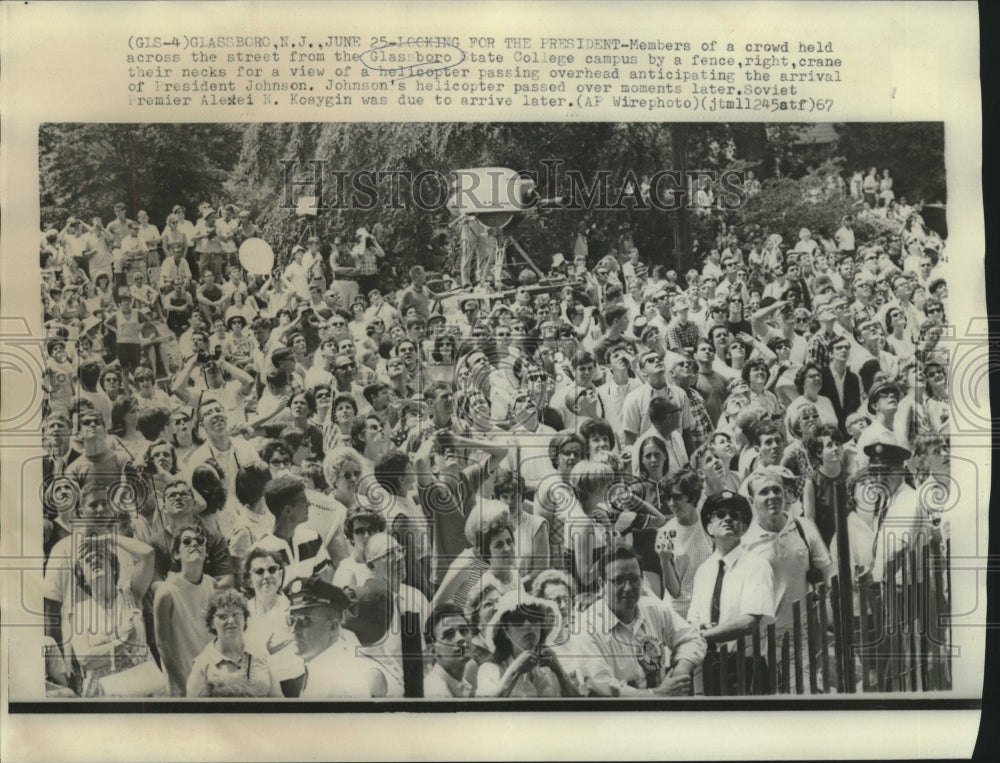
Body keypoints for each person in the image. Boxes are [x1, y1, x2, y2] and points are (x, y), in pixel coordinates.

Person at [577, 544, 706, 696]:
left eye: (634, 579)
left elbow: (692, 638)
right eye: (618, 581)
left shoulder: (654, 609)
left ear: (642, 579)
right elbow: (601, 686)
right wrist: (657, 694)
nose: (628, 588)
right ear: (602, 584)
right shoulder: (586, 627)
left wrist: (680, 671)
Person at [153, 525, 218, 695]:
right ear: (176, 554)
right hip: (183, 679)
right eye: (187, 541)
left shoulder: (213, 585)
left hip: (213, 677)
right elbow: (163, 645)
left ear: (206, 552)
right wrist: (182, 684)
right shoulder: (166, 592)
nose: (194, 544)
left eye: (200, 540)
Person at [476, 591, 580, 697]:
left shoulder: (549, 666)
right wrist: (514, 671)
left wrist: (559, 671)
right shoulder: (490, 669)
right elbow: (487, 708)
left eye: (534, 618)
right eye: (518, 620)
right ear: (505, 632)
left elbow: (578, 706)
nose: (528, 625)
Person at [283, 575, 372, 698]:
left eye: (304, 621)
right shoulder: (322, 665)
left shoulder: (333, 679)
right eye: (291, 620)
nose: (294, 630)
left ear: (333, 628)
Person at [186, 589, 283, 697]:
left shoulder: (260, 653)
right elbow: (194, 710)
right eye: (223, 616)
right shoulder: (202, 664)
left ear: (245, 619)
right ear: (212, 623)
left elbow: (278, 699)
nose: (231, 621)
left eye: (236, 614)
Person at [656, 469, 714, 621]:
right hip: (678, 615)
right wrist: (664, 560)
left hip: (706, 609)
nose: (671, 503)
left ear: (692, 496)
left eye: (676, 497)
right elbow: (674, 591)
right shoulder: (666, 532)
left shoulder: (709, 523)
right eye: (668, 498)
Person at [423, 603, 476, 698]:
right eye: (449, 635)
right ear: (433, 651)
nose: (460, 639)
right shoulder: (435, 693)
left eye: (463, 631)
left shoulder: (461, 683)